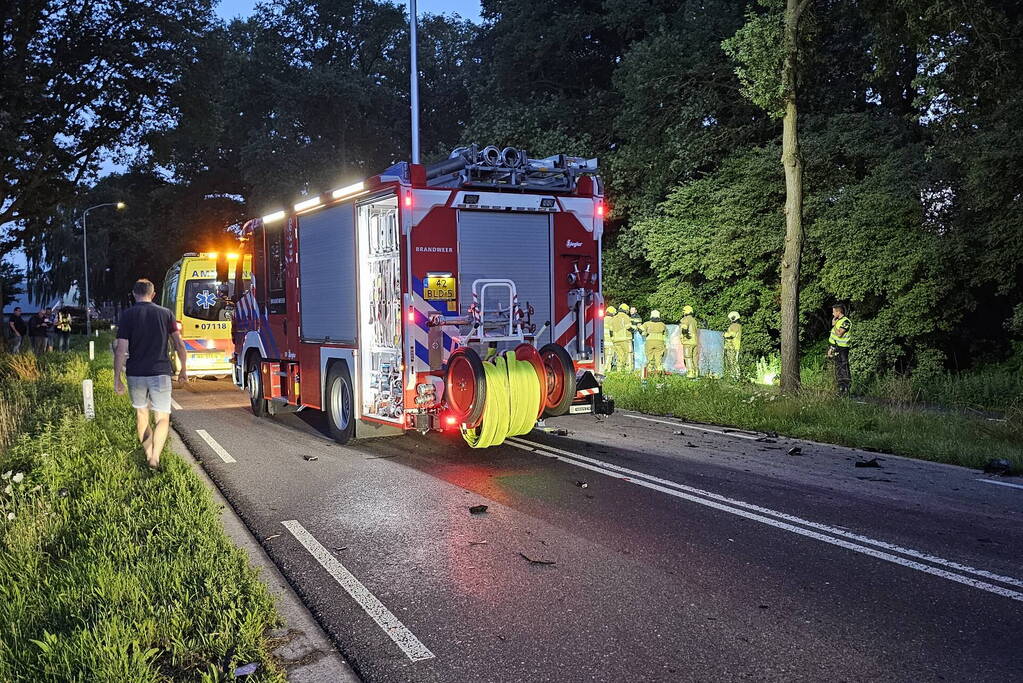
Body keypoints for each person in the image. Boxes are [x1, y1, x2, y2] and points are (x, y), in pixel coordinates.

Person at [114, 279, 187, 470]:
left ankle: (147, 454)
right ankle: (155, 458)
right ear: (153, 294)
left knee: (141, 415)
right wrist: (183, 370)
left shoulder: (127, 315)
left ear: (134, 294)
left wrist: (117, 379)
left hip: (136, 373)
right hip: (160, 373)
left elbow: (121, 350)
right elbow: (179, 344)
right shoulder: (166, 314)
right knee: (163, 418)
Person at [828, 304, 852, 394]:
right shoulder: (837, 321)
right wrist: (831, 348)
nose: (832, 313)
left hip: (843, 348)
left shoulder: (846, 322)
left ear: (839, 312)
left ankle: (846, 388)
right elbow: (834, 337)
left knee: (844, 367)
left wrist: (834, 325)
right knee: (838, 368)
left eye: (834, 311)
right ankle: (840, 388)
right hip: (836, 347)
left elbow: (839, 334)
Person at [641, 310, 667, 374]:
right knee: (659, 357)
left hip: (649, 342)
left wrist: (645, 333)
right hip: (660, 342)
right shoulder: (662, 324)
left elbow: (641, 330)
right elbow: (665, 334)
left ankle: (650, 371)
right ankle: (659, 372)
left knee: (650, 357)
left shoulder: (646, 323)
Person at [611, 303, 635, 371]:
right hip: (625, 339)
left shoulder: (614, 318)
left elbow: (611, 329)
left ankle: (619, 370)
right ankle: (629, 370)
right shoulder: (625, 317)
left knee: (620, 355)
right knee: (628, 354)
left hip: (616, 340)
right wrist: (634, 330)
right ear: (626, 310)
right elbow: (628, 327)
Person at [679, 305, 699, 378]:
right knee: (695, 357)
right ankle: (696, 372)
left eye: (684, 311)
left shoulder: (685, 319)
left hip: (688, 341)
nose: (683, 313)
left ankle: (690, 373)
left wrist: (684, 332)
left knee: (688, 357)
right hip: (695, 341)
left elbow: (684, 327)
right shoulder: (694, 320)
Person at [724, 311, 743, 380]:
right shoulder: (739, 326)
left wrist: (724, 334)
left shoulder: (734, 326)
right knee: (734, 361)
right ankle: (736, 376)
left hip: (732, 347)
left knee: (732, 362)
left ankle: (735, 376)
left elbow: (732, 335)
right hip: (735, 346)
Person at [603, 305, 618, 372]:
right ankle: (606, 370)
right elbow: (613, 330)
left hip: (602, 342)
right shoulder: (612, 320)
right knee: (609, 356)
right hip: (609, 342)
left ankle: (603, 368)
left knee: (603, 357)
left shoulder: (602, 319)